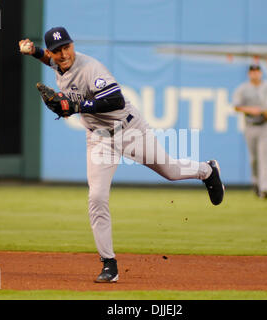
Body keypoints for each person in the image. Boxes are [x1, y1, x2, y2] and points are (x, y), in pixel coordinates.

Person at [19, 27, 224, 283]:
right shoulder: (57, 62)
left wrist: (75, 106)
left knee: (170, 171)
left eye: (67, 47)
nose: (63, 54)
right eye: (57, 50)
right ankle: (109, 264)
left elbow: (115, 100)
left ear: (73, 45)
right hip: (99, 138)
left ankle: (207, 170)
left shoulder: (91, 67)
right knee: (96, 197)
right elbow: (51, 60)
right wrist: (34, 52)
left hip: (129, 130)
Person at [233, 64, 267, 199]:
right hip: (251, 125)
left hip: (266, 125)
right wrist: (252, 110)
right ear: (249, 74)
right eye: (252, 72)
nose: (255, 74)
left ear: (261, 73)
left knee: (265, 156)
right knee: (254, 158)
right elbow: (236, 107)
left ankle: (266, 188)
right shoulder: (243, 89)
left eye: (257, 71)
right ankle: (256, 183)